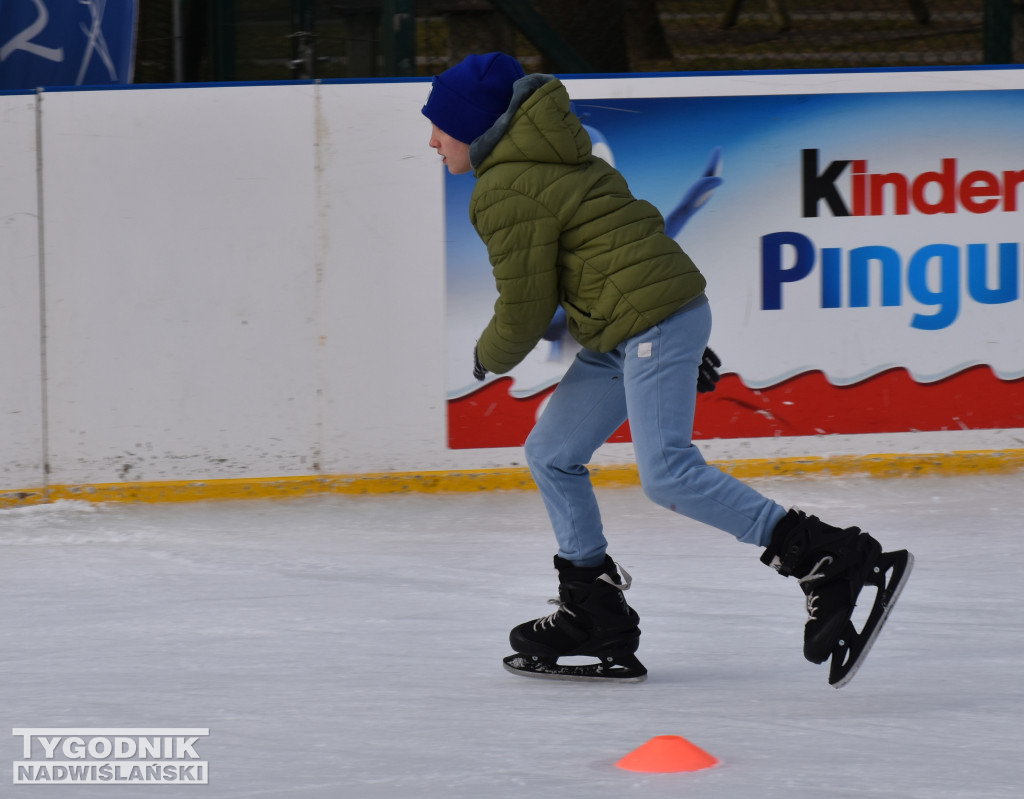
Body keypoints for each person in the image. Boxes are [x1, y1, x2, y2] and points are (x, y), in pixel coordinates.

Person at [422, 52, 913, 687]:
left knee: (669, 474)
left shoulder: (503, 189)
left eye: (440, 124)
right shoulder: (562, 159)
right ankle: (590, 608)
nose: (432, 139)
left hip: (648, 325)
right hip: (632, 327)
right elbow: (627, 239)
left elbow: (524, 305)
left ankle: (825, 557)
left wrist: (491, 354)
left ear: (476, 124)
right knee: (552, 451)